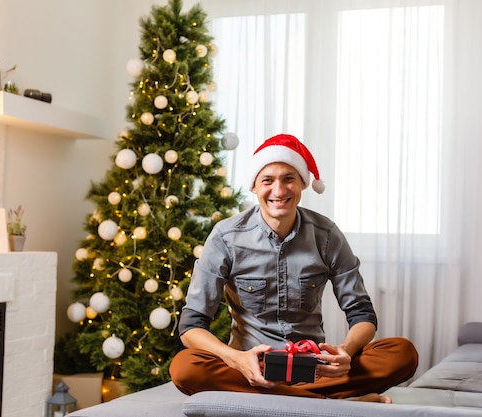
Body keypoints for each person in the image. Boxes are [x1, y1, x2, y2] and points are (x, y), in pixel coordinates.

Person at [169, 134, 418, 402]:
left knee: (402, 353)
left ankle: (282, 399)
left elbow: (362, 315)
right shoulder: (225, 237)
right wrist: (236, 359)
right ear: (254, 186)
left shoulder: (327, 235)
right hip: (252, 368)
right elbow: (191, 325)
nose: (279, 191)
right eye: (268, 180)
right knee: (185, 367)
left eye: (288, 178)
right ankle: (329, 402)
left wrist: (345, 351)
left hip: (315, 368)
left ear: (302, 183)